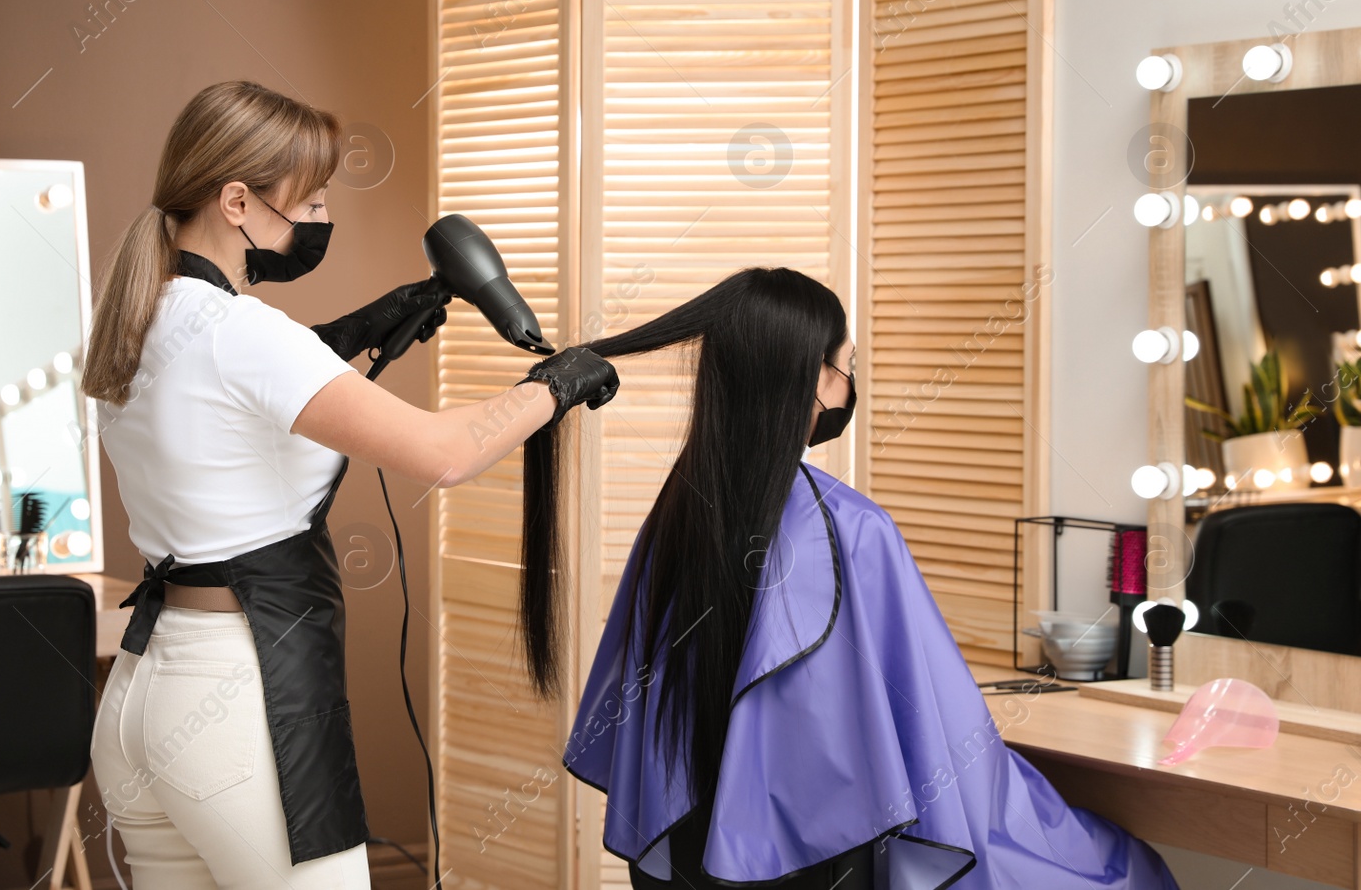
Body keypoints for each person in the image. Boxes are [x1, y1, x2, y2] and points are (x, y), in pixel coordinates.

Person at [84, 80, 618, 889]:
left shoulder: (140, 314)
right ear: (237, 200)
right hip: (236, 700)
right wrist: (555, 384)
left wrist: (365, 326)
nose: (324, 218)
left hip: (142, 696)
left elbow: (229, 407)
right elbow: (445, 450)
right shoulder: (245, 332)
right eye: (311, 199)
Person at [520, 267, 1179, 889]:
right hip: (827, 865)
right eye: (848, 365)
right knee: (1126, 865)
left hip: (697, 859)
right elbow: (949, 748)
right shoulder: (853, 528)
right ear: (814, 379)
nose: (850, 383)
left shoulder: (676, 515)